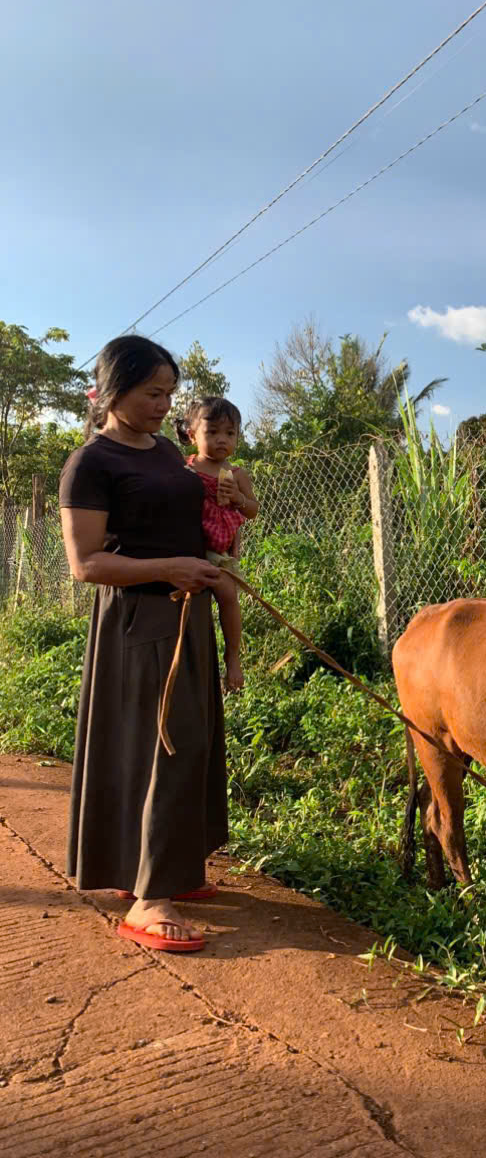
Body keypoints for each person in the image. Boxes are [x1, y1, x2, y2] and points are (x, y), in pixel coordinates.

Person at [59, 335, 226, 952]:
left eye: (169, 394)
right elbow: (87, 564)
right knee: (160, 746)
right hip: (139, 622)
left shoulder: (163, 451)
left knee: (191, 740)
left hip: (188, 614)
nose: (164, 405)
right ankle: (148, 897)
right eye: (153, 393)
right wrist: (170, 570)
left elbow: (188, 516)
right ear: (109, 392)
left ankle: (173, 870)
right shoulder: (91, 463)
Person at [175, 396, 259, 692]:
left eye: (230, 433)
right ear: (192, 434)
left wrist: (237, 497)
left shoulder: (237, 474)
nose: (222, 440)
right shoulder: (183, 470)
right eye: (212, 433)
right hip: (189, 551)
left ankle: (233, 659)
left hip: (220, 554)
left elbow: (252, 509)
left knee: (227, 595)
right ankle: (185, 664)